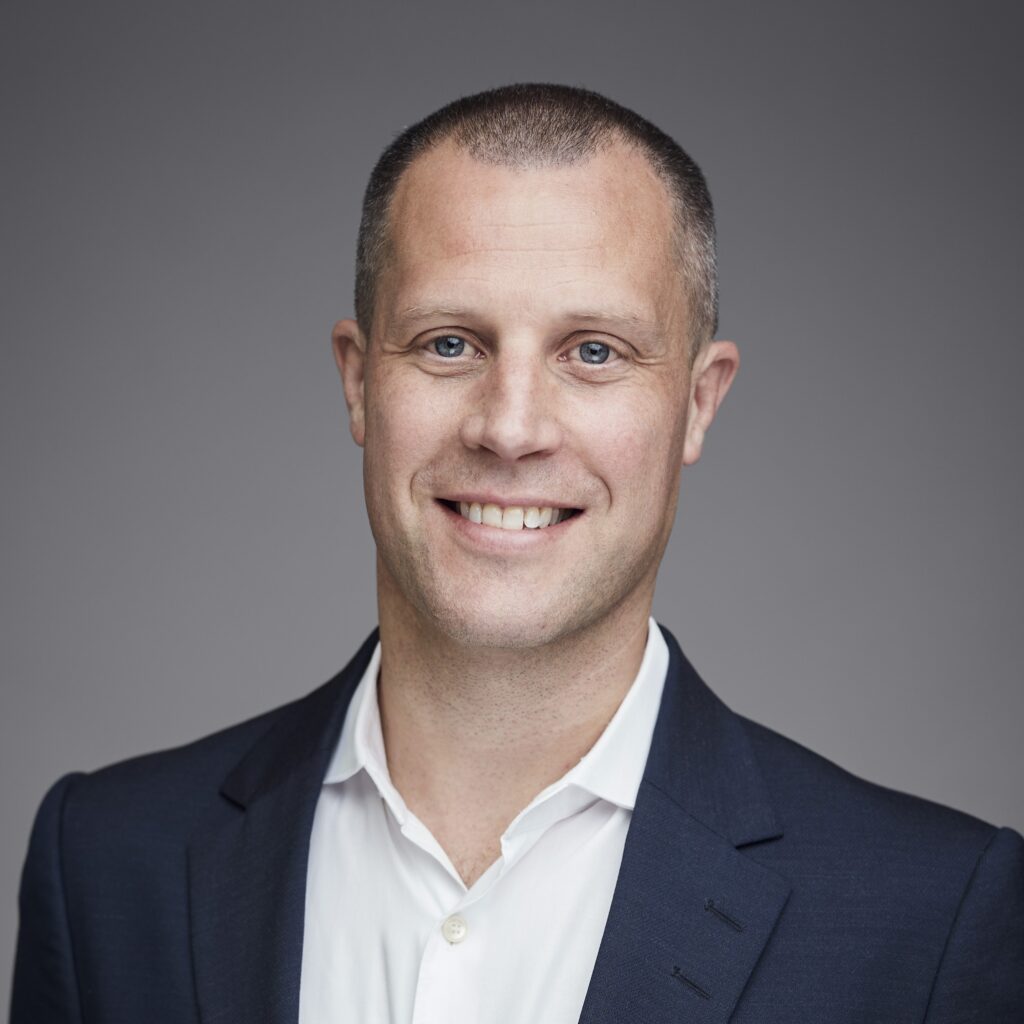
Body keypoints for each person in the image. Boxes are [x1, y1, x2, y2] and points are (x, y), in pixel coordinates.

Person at [10, 83, 1023, 1024]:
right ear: (359, 382)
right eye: (450, 342)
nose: (509, 427)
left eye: (594, 352)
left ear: (698, 403)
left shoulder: (928, 920)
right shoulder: (104, 863)